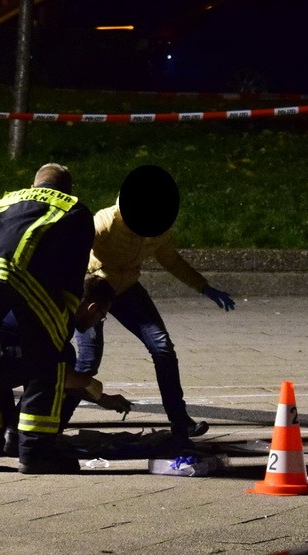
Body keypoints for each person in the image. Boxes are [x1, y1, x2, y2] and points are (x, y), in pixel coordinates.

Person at [0, 163, 94, 474]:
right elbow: (73, 266)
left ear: (34, 183)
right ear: (68, 188)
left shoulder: (5, 200)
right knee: (50, 360)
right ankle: (35, 451)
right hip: (23, 276)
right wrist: (65, 315)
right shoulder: (74, 209)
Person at [74, 164, 236, 445]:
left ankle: (179, 421)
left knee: (162, 347)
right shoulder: (106, 223)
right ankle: (51, 421)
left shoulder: (159, 230)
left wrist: (204, 286)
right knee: (87, 361)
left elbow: (171, 260)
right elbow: (72, 246)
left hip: (126, 290)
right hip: (94, 289)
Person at [0, 275, 132, 457]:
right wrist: (92, 385)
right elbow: (61, 377)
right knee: (65, 364)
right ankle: (38, 437)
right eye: (101, 317)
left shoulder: (36, 296)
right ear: (92, 307)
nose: (98, 322)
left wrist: (101, 398)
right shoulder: (57, 318)